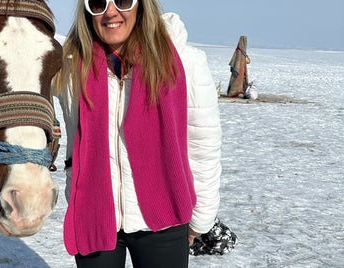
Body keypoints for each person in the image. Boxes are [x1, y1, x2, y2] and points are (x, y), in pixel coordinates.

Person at [53, 0, 222, 267]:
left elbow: (204, 145)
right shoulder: (71, 67)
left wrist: (202, 217)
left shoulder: (186, 62)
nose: (110, 12)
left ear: (141, 5)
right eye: (97, 3)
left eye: (122, 1)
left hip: (163, 217)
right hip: (93, 214)